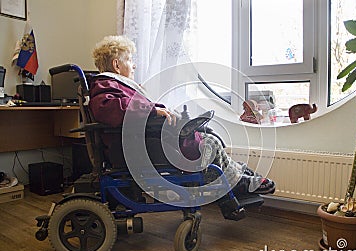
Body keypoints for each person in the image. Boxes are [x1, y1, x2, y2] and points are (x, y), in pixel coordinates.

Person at [88, 35, 275, 203]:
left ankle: (240, 174)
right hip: (137, 147)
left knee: (208, 138)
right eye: (129, 60)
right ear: (116, 65)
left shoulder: (117, 85)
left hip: (145, 141)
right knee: (207, 144)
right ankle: (239, 182)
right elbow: (109, 108)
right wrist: (152, 109)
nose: (134, 65)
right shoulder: (106, 85)